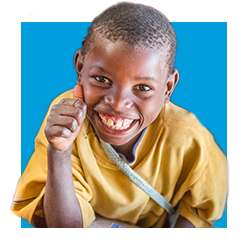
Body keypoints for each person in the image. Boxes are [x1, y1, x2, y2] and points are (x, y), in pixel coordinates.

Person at [12, 2, 227, 228]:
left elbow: (198, 215)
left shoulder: (191, 141)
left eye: (143, 87)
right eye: (102, 80)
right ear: (79, 67)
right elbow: (65, 229)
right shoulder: (66, 119)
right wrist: (59, 151)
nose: (117, 104)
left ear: (168, 88)